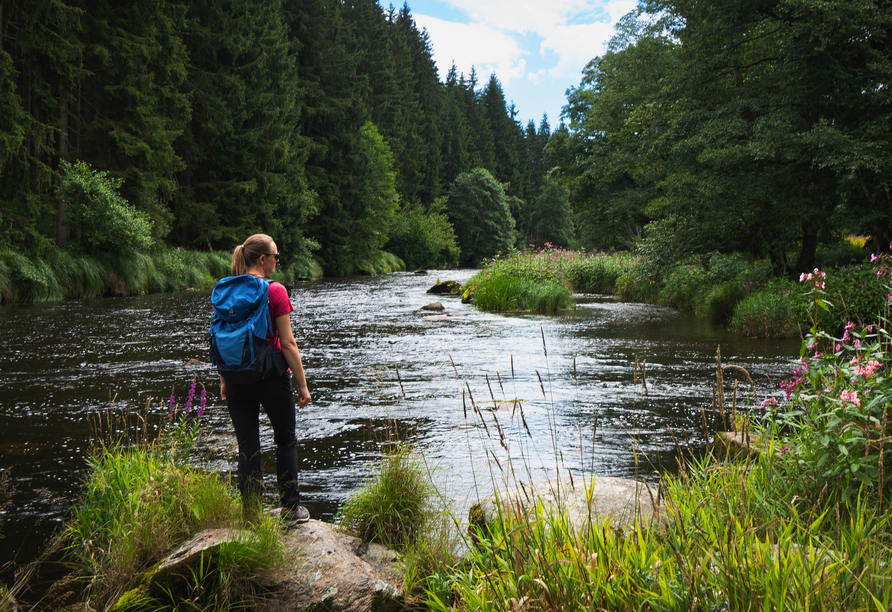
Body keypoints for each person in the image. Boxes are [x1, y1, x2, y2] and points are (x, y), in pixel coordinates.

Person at [220, 233, 312, 525]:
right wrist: (302, 384)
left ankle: (250, 517)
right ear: (263, 259)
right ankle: (290, 508)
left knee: (248, 446)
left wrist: (224, 380)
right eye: (275, 256)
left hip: (235, 377)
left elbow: (223, 338)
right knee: (285, 439)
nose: (277, 261)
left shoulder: (225, 290)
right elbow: (288, 344)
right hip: (271, 375)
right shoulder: (275, 291)